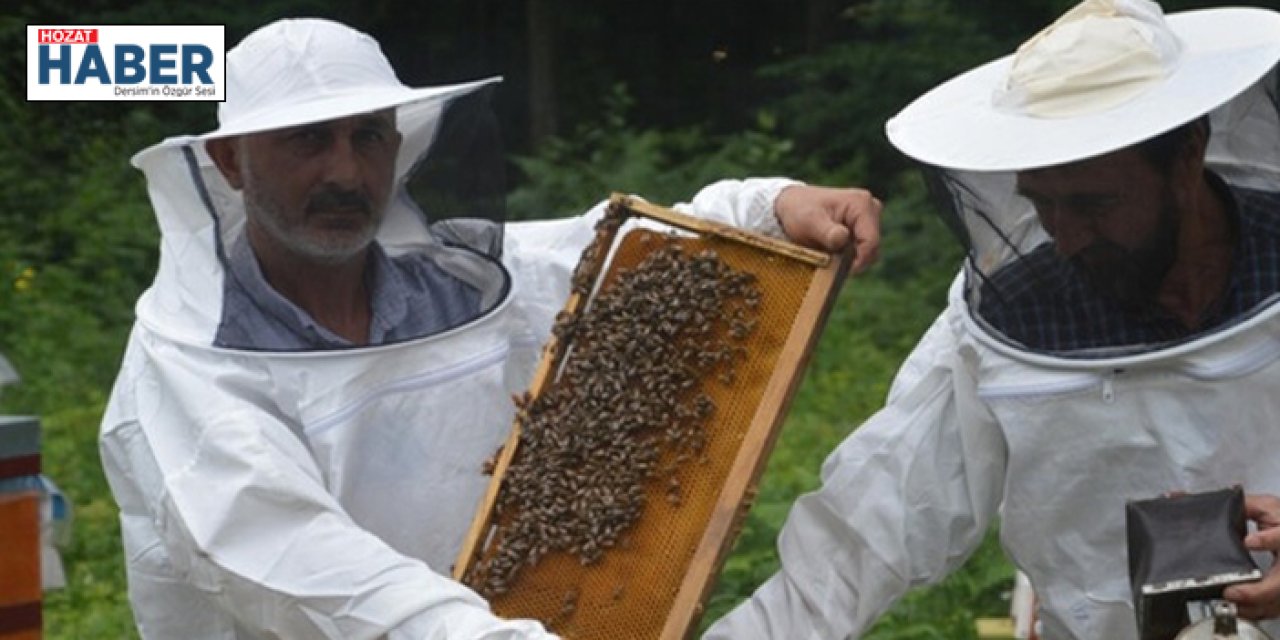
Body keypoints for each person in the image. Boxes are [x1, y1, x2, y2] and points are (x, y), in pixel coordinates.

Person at [97, 17, 883, 640]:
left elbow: (614, 258)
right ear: (232, 163)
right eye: (308, 140)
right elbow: (292, 560)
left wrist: (767, 207)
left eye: (368, 136)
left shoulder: (458, 281)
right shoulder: (189, 368)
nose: (345, 172)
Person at [703, 1, 1280, 638]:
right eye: (1043, 204)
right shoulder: (1012, 315)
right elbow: (862, 538)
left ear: (1186, 157)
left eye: (1094, 203)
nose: (1066, 238)